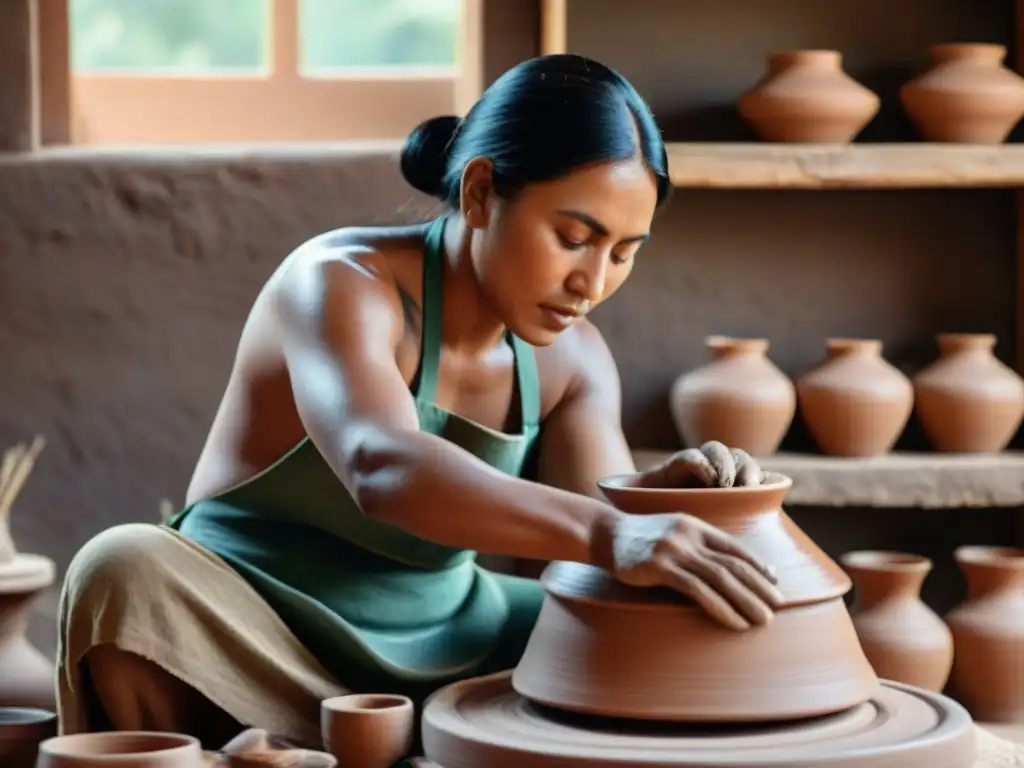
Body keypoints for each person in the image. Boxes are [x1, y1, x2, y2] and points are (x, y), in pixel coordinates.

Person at [55, 53, 783, 752]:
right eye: (573, 237)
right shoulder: (339, 282)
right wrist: (616, 533)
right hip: (253, 624)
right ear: (477, 193)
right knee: (121, 569)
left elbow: (598, 545)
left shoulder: (577, 358)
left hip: (449, 629)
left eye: (623, 252)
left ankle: (359, 742)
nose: (591, 282)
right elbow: (383, 468)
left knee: (654, 627)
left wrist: (664, 506)